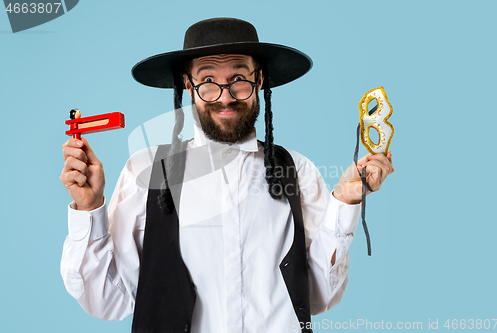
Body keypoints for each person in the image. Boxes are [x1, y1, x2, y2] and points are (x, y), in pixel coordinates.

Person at [60, 18, 394, 333]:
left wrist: (346, 202)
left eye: (238, 79)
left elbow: (319, 298)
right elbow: (108, 302)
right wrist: (90, 210)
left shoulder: (298, 171)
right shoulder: (145, 172)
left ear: (259, 80)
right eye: (207, 81)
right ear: (187, 86)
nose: (224, 96)